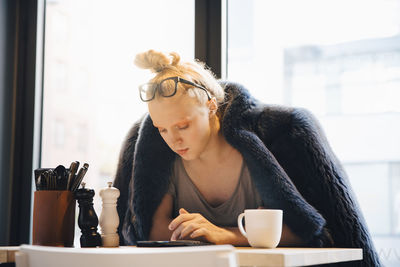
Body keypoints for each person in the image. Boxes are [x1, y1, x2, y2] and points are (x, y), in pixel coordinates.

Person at [114, 50, 381, 266]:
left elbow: (306, 230)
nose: (173, 140)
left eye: (183, 126)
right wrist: (237, 237)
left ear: (211, 106)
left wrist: (222, 235)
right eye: (162, 129)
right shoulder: (159, 155)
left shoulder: (278, 136)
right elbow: (154, 232)